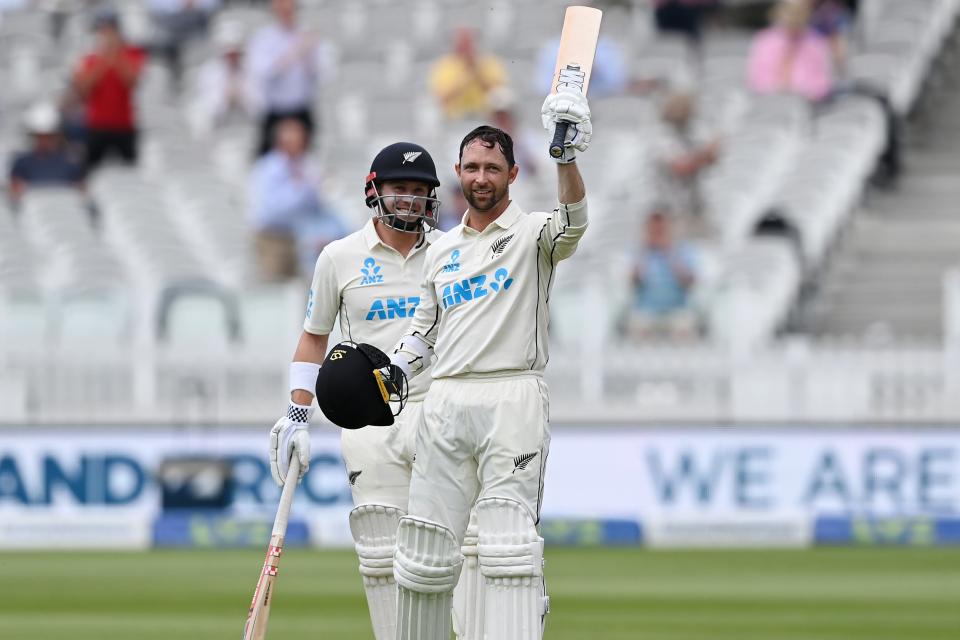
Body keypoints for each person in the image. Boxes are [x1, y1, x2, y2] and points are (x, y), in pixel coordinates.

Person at [385, 86, 592, 639]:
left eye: (492, 168)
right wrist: (390, 376)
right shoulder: (442, 251)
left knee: (508, 549)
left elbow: (573, 222)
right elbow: (422, 333)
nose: (481, 177)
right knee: (425, 552)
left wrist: (566, 157)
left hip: (512, 397)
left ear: (512, 174)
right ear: (457, 171)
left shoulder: (532, 236)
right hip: (447, 400)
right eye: (472, 167)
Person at [265, 142, 462, 639]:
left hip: (439, 410)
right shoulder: (338, 256)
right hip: (371, 419)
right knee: (381, 555)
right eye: (400, 189)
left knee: (452, 550)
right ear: (375, 191)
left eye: (420, 192)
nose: (410, 201)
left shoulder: (452, 250)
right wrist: (296, 415)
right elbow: (314, 337)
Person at [249, 117, 346, 281]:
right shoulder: (268, 168)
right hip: (273, 237)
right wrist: (303, 188)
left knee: (301, 286)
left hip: (300, 235)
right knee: (276, 285)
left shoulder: (307, 163)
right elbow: (274, 209)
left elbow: (320, 202)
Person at [246, 0, 325, 156]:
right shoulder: (263, 38)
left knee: (306, 159)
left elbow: (320, 73)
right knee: (267, 160)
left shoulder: (307, 34)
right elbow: (264, 72)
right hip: (275, 110)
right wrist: (295, 53)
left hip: (301, 108)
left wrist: (308, 55)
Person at [72, 8, 146, 170]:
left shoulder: (131, 54)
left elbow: (132, 81)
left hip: (124, 125)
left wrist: (117, 55)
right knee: (91, 170)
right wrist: (104, 59)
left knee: (130, 172)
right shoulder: (91, 58)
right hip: (97, 126)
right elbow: (84, 89)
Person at [625, 206, 699, 342]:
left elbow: (690, 282)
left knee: (683, 329)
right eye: (654, 228)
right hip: (646, 310)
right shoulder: (638, 251)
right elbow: (633, 282)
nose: (657, 232)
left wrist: (669, 252)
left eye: (661, 228)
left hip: (677, 308)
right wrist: (644, 252)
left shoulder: (683, 250)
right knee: (639, 329)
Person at [653, 90, 721, 225]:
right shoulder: (661, 136)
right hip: (671, 210)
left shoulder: (691, 132)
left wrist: (710, 151)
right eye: (681, 106)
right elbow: (681, 167)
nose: (685, 111)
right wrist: (705, 153)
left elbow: (711, 159)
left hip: (697, 207)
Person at [747, 0, 834, 103]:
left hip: (807, 104)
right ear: (778, 13)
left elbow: (824, 83)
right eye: (789, 11)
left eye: (799, 12)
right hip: (768, 102)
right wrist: (777, 91)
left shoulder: (816, 42)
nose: (794, 17)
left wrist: (802, 92)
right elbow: (755, 79)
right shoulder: (764, 41)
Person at [8, 102, 86, 208]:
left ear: (57, 136)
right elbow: (15, 193)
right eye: (40, 136)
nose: (44, 141)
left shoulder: (71, 162)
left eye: (49, 136)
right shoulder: (22, 163)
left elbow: (81, 192)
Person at [190, 19, 255, 134]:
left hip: (247, 128)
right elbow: (209, 108)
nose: (232, 57)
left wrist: (241, 97)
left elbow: (259, 108)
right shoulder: (208, 72)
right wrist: (226, 96)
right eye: (229, 53)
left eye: (235, 52)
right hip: (218, 129)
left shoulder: (252, 69)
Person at [429, 27, 507, 121]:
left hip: (485, 118)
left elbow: (499, 95)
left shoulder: (489, 63)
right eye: (462, 43)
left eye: (469, 43)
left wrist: (477, 72)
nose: (466, 47)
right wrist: (465, 77)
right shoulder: (444, 65)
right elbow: (441, 99)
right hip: (453, 119)